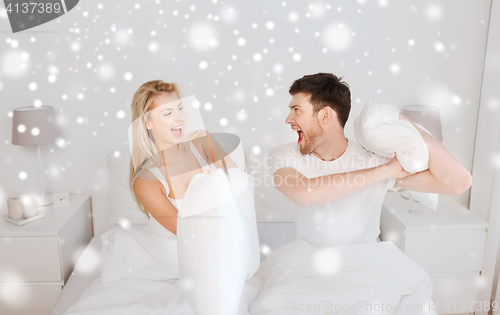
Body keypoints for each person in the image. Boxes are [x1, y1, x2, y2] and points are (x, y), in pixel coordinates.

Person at [249, 73, 472, 314]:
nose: (288, 119)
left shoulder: (371, 158)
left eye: (296, 110)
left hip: (369, 268)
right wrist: (387, 170)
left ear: (325, 116)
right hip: (307, 268)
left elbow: (459, 183)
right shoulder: (284, 156)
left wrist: (408, 127)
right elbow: (304, 193)